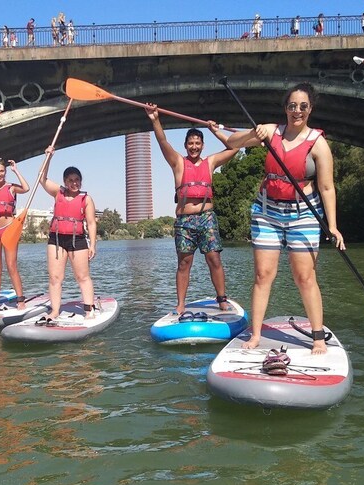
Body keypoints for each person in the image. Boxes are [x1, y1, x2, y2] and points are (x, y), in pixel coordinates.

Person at [224, 83, 345, 354]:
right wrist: (252, 134)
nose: (297, 111)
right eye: (292, 106)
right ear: (285, 109)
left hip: (304, 213)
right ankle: (255, 335)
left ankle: (316, 336)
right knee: (263, 274)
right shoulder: (272, 131)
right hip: (267, 212)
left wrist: (333, 226)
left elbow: (327, 188)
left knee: (304, 276)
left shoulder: (318, 143)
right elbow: (230, 143)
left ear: (310, 109)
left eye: (303, 106)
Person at [144, 104, 239, 315]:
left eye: (198, 143)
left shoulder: (211, 162)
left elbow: (235, 147)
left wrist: (216, 131)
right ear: (186, 145)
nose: (194, 147)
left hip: (206, 218)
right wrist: (155, 119)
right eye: (191, 143)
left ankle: (222, 299)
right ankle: (180, 304)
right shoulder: (178, 162)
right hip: (185, 221)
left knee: (214, 258)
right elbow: (162, 141)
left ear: (203, 145)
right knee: (184, 263)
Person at [38, 147, 98, 322]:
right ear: (65, 181)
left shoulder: (86, 199)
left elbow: (91, 223)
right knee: (55, 277)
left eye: (77, 180)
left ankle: (89, 309)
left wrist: (92, 245)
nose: (74, 183)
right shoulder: (58, 192)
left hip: (77, 240)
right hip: (56, 239)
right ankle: (55, 311)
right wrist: (48, 157)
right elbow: (42, 177)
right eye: (71, 180)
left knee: (82, 276)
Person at [0, 157, 30, 310]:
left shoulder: (11, 188)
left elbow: (26, 188)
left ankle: (20, 300)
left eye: (2, 171)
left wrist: (16, 171)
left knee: (11, 266)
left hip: (9, 228)